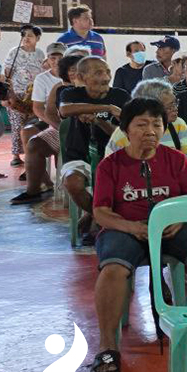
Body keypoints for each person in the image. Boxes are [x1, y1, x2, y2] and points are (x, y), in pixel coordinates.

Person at [87, 98, 187, 372]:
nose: (150, 130)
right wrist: (130, 227)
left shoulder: (176, 160)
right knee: (113, 267)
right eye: (142, 124)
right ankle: (107, 348)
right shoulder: (110, 165)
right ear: (126, 129)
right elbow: (101, 212)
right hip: (126, 229)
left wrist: (178, 219)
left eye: (157, 124)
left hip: (170, 228)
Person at [59, 57, 132, 241]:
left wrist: (98, 121)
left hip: (114, 157)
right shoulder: (71, 94)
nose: (106, 77)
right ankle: (100, 218)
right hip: (79, 155)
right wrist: (106, 107)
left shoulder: (121, 96)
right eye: (98, 73)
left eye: (107, 71)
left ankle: (98, 220)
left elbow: (125, 133)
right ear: (82, 77)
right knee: (72, 183)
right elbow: (65, 111)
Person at [9, 45, 74, 204]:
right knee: (29, 134)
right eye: (53, 57)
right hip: (49, 120)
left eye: (60, 58)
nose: (56, 61)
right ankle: (39, 183)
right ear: (47, 59)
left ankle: (62, 183)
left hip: (72, 125)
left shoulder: (82, 82)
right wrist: (58, 126)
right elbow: (39, 109)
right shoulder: (48, 81)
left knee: (65, 142)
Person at [104, 79, 187, 173]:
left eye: (176, 103)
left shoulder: (178, 124)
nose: (175, 108)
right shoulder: (124, 133)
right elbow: (111, 170)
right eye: (170, 106)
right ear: (148, 108)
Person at [2, 24, 45, 167]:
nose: (26, 38)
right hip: (16, 94)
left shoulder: (40, 54)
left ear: (37, 38)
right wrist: (7, 95)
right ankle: (15, 155)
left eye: (30, 35)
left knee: (31, 125)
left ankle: (30, 153)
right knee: (17, 125)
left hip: (34, 94)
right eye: (24, 35)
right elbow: (7, 73)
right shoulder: (14, 52)